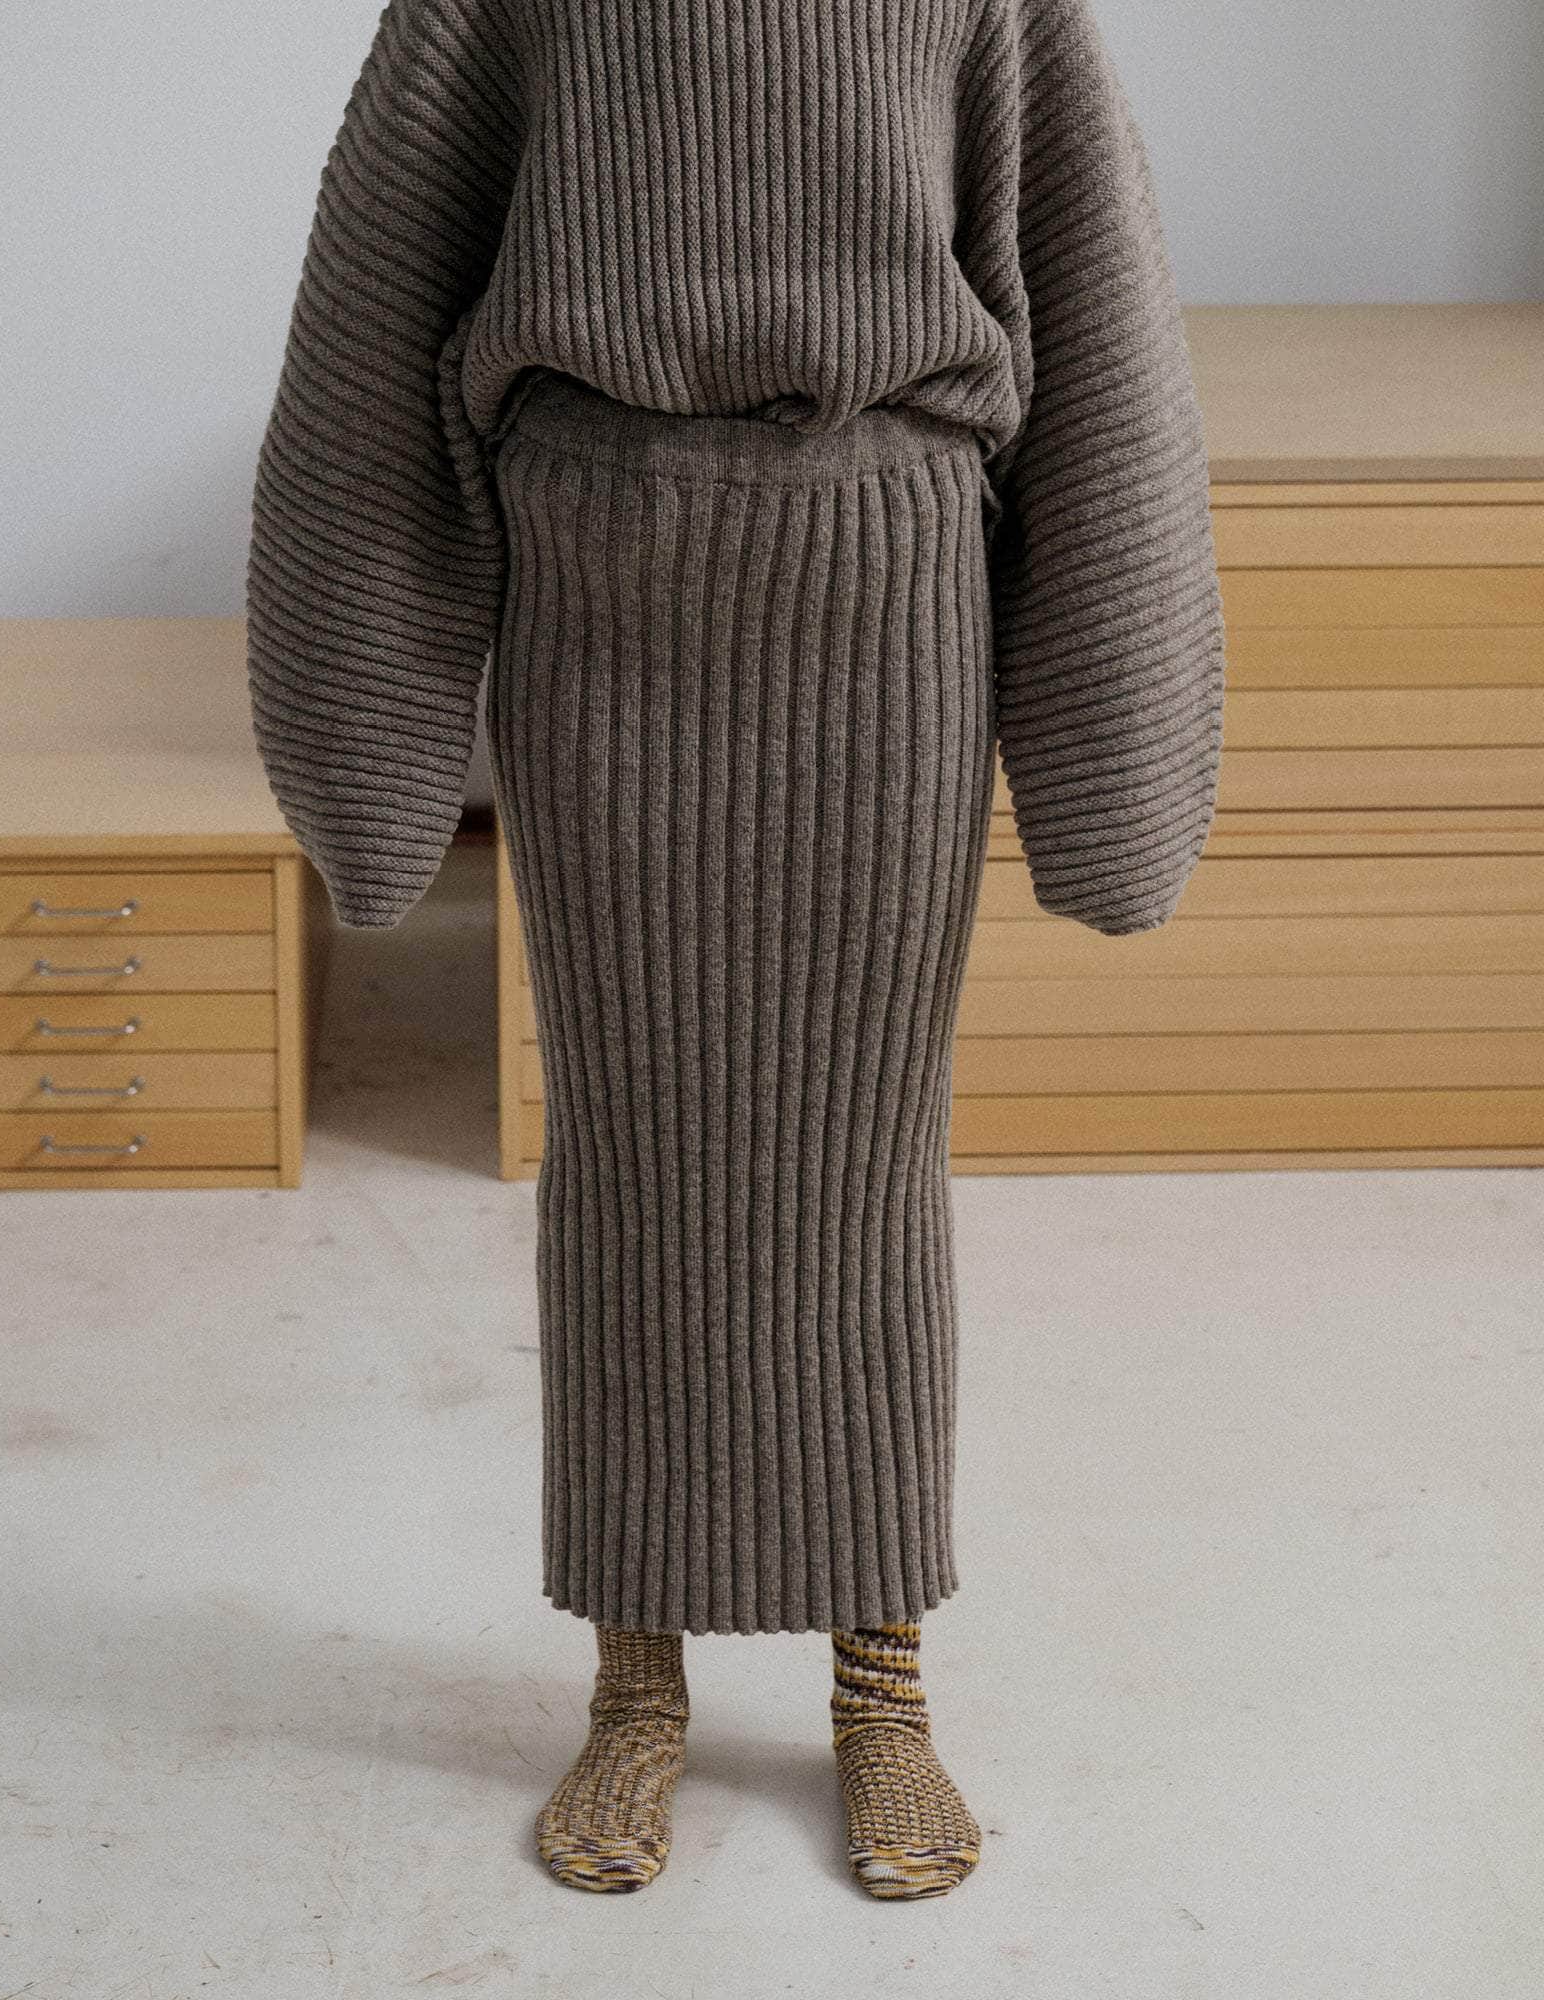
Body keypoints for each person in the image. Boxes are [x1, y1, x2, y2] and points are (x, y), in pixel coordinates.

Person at [246, 0, 1225, 1899]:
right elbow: (374, 330)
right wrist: (363, 744)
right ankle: (636, 1683)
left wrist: (1114, 757)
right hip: (605, 596)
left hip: (889, 590)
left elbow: (1099, 326)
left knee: (865, 1152)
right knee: (634, 1152)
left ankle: (882, 1686)